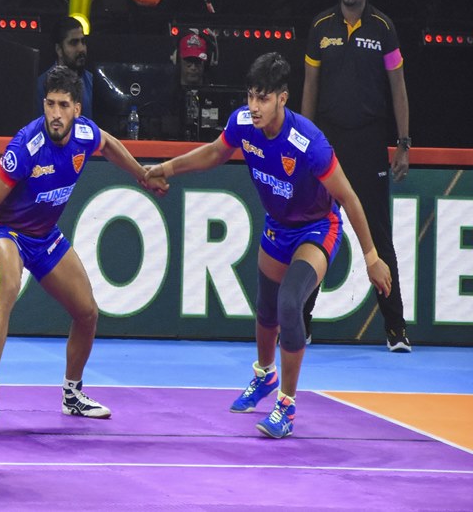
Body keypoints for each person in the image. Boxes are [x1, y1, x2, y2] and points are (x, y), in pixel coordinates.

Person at [144, 53, 392, 438]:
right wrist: (166, 168)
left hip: (316, 228)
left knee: (290, 303)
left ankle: (286, 406)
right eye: (250, 96)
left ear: (282, 98)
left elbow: (349, 198)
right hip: (278, 226)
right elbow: (215, 152)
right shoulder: (243, 124)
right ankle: (264, 375)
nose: (254, 106)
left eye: (263, 98)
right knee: (266, 307)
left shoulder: (309, 143)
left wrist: (372, 257)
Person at [0, 65, 168, 415]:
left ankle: (72, 394)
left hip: (45, 236)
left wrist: (141, 174)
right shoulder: (26, 146)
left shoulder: (85, 134)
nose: (56, 114)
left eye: (63, 105)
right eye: (50, 104)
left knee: (87, 312)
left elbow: (109, 144)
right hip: (9, 231)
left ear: (77, 108)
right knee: (7, 290)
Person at [300, 0, 412, 352]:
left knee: (378, 235)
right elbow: (310, 88)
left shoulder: (383, 28)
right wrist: (305, 142)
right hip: (327, 143)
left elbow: (398, 87)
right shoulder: (320, 27)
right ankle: (301, 323)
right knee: (315, 230)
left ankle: (395, 328)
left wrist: (403, 143)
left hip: (369, 142)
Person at [36, 16, 93, 118]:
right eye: (74, 43)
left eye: (83, 42)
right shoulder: (41, 86)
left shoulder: (92, 81)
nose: (81, 48)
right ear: (59, 49)